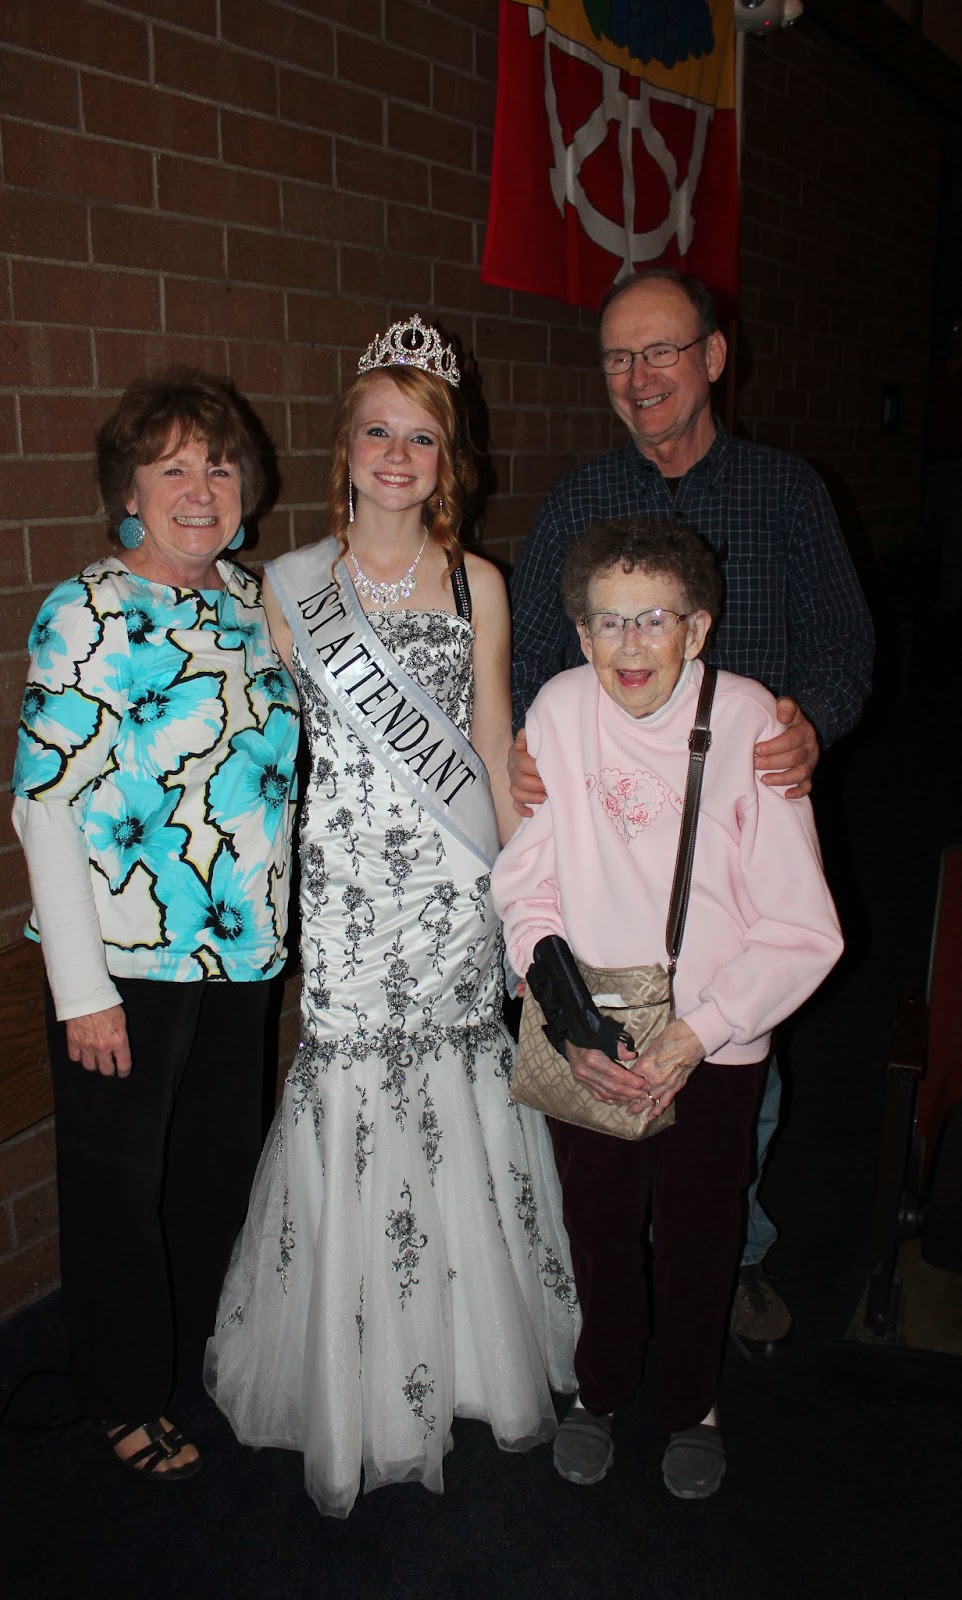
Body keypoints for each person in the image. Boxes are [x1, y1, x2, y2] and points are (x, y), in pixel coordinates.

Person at [206, 315, 577, 1519]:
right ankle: (356, 1380)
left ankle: (471, 1359)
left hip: (450, 887)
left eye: (422, 436)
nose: (398, 455)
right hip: (347, 891)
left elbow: (490, 741)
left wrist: (526, 906)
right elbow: (258, 753)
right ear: (346, 446)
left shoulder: (479, 583)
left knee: (459, 1084)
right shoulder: (289, 590)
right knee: (351, 1084)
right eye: (379, 431)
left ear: (448, 457)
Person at [508, 268, 873, 1357]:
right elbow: (532, 650)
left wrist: (814, 723)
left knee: (731, 1070)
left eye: (661, 350)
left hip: (736, 822)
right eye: (620, 357)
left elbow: (845, 643)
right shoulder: (577, 500)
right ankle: (619, 1286)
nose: (640, 376)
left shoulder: (785, 491)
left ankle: (730, 1256)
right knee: (605, 1092)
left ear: (713, 357)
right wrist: (527, 744)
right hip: (613, 826)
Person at [492, 516, 843, 1498]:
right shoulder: (561, 709)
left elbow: (803, 927)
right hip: (591, 1027)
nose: (630, 645)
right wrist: (566, 1015)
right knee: (599, 1225)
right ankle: (600, 1386)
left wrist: (697, 1034)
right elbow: (527, 883)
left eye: (654, 619)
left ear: (698, 627)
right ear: (579, 634)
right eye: (607, 622)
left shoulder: (752, 725)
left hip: (713, 1039)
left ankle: (692, 1403)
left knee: (698, 1233)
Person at [11, 370, 299, 1479]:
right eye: (172, 466)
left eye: (219, 467)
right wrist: (81, 992)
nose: (200, 488)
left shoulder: (251, 599)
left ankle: (206, 1349)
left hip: (239, 951)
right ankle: (123, 1394)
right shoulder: (85, 612)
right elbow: (45, 805)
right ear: (127, 489)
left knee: (217, 1168)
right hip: (125, 960)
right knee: (117, 1189)